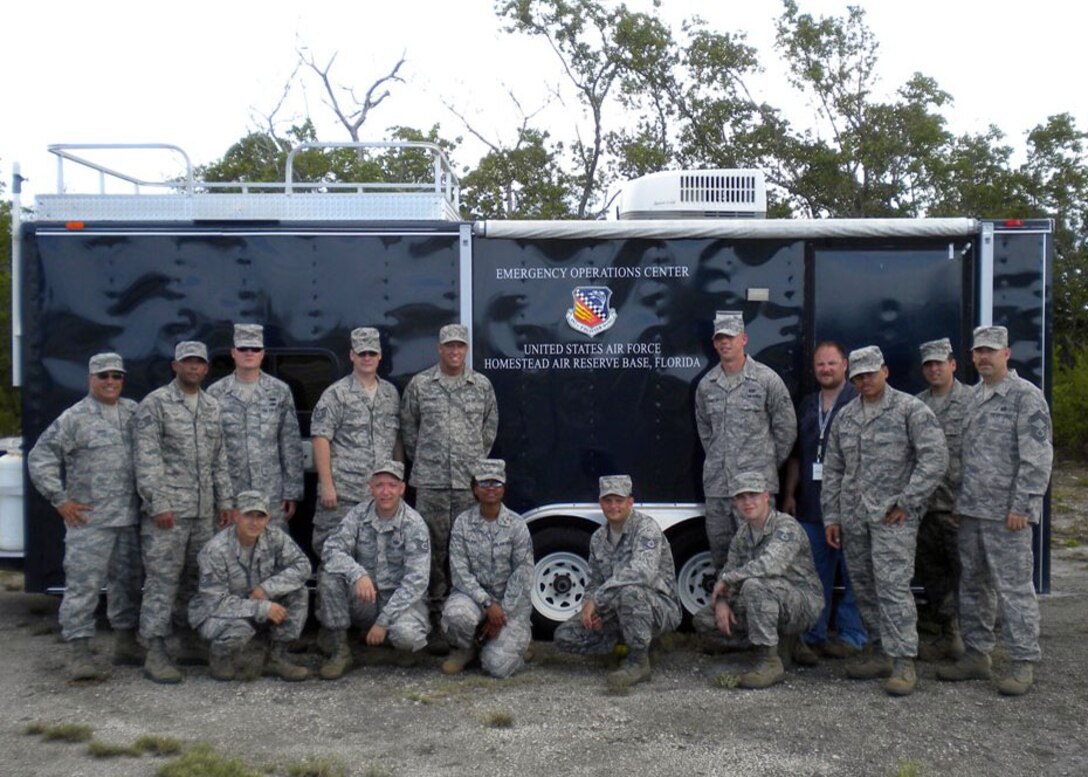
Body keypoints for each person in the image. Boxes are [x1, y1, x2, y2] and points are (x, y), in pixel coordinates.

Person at [821, 345, 947, 696]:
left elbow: (935, 458)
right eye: (858, 377)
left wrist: (908, 500)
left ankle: (904, 660)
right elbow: (833, 470)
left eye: (870, 374)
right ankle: (879, 650)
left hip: (893, 518)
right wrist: (832, 515)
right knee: (863, 587)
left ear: (885, 372)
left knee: (892, 588)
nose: (864, 381)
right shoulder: (846, 417)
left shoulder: (910, 410)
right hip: (854, 517)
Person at [938, 325, 1053, 696]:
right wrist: (959, 502)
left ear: (1007, 353)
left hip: (1008, 515)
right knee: (972, 585)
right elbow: (964, 458)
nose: (984, 357)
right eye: (978, 351)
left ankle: (1022, 661)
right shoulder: (973, 398)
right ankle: (977, 655)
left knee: (1014, 588)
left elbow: (1037, 459)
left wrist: (1024, 505)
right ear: (971, 356)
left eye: (991, 350)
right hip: (971, 511)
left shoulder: (1025, 397)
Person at [27, 352, 143, 680]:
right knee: (83, 586)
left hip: (130, 518)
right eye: (103, 376)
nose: (110, 382)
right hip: (90, 522)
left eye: (116, 376)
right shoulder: (74, 417)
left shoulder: (134, 413)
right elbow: (40, 458)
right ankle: (79, 653)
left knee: (129, 585)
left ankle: (125, 643)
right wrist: (60, 499)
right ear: (91, 379)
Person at [135, 340, 235, 684]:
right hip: (169, 514)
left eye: (199, 363)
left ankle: (190, 640)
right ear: (174, 366)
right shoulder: (156, 404)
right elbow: (147, 460)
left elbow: (219, 458)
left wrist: (226, 503)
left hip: (204, 512)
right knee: (162, 581)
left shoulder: (211, 406)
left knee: (197, 578)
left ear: (206, 369)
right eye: (186, 362)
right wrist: (158, 503)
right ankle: (155, 650)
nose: (193, 368)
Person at [401, 323, 498, 654]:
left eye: (460, 346)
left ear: (466, 349)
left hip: (468, 486)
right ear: (439, 349)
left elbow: (489, 427)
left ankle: (467, 621)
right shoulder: (420, 385)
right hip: (431, 485)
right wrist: (429, 461)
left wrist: (471, 462)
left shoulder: (481, 385)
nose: (454, 351)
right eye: (449, 346)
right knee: (432, 551)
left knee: (467, 553)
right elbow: (409, 429)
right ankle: (433, 619)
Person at [694, 472, 823, 689]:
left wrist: (728, 580)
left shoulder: (786, 527)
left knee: (755, 585)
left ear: (766, 497)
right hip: (764, 601)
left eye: (752, 495)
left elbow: (771, 565)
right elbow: (728, 569)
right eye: (741, 497)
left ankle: (769, 662)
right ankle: (783, 644)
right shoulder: (743, 535)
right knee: (704, 620)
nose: (747, 502)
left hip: (802, 604)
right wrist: (723, 602)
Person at [553, 475, 681, 688]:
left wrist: (598, 599)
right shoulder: (598, 538)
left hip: (658, 607)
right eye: (608, 500)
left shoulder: (646, 528)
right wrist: (589, 608)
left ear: (630, 502)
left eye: (619, 500)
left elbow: (643, 572)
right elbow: (593, 580)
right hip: (615, 607)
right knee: (565, 636)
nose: (613, 506)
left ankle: (639, 662)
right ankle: (635, 644)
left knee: (631, 592)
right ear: (600, 503)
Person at [782, 341, 867, 662]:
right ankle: (813, 634)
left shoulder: (859, 401)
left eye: (832, 363)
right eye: (820, 365)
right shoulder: (806, 404)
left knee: (854, 573)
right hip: (810, 505)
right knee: (814, 574)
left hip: (850, 508)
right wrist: (790, 494)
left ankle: (851, 636)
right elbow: (796, 457)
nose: (826, 369)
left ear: (844, 365)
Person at [695, 311, 796, 570]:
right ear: (714, 343)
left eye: (731, 337)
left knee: (759, 557)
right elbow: (706, 431)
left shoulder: (766, 379)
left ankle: (757, 610)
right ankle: (728, 608)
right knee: (722, 558)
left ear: (744, 339)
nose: (725, 343)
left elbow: (786, 429)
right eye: (720, 339)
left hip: (754, 491)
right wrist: (720, 459)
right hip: (718, 489)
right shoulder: (707, 385)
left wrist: (765, 463)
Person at [317, 461, 431, 680]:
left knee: (407, 637)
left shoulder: (414, 524)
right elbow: (331, 549)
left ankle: (391, 640)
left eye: (391, 485)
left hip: (399, 601)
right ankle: (341, 651)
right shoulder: (358, 515)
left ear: (402, 488)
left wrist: (383, 621)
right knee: (330, 577)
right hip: (366, 598)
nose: (385, 491)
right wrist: (357, 574)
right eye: (379, 485)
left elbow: (416, 581)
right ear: (371, 487)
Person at [188, 491, 311, 682]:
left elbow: (303, 566)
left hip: (256, 601)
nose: (254, 522)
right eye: (248, 515)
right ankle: (220, 657)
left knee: (298, 592)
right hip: (215, 612)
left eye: (260, 516)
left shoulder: (274, 537)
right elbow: (214, 602)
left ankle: (276, 657)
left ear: (268, 518)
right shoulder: (216, 550)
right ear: (236, 515)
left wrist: (268, 588)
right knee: (239, 630)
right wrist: (262, 607)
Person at [311, 327, 401, 557]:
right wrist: (327, 485)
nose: (367, 358)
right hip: (344, 493)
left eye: (372, 353)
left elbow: (396, 440)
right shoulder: (336, 394)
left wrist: (398, 481)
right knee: (335, 555)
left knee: (378, 556)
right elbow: (321, 438)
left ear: (380, 355)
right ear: (352, 355)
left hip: (381, 494)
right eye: (362, 353)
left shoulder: (390, 394)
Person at [440, 459, 534, 679]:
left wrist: (502, 613)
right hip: (474, 599)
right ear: (475, 489)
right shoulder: (463, 523)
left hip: (509, 605)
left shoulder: (517, 525)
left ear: (504, 488)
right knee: (456, 615)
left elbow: (523, 574)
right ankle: (464, 650)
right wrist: (487, 603)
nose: (490, 488)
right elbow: (459, 572)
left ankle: (519, 642)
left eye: (496, 483)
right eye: (484, 483)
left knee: (497, 667)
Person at [207, 324, 303, 529]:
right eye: (243, 348)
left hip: (271, 494)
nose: (249, 353)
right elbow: (211, 448)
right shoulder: (215, 394)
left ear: (262, 354)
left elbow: (290, 444)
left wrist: (291, 491)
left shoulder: (280, 391)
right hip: (231, 494)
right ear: (233, 353)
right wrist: (218, 496)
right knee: (230, 549)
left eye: (255, 348)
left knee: (273, 547)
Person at [915, 337, 969, 661]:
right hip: (926, 510)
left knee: (968, 576)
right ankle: (948, 634)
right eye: (928, 364)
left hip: (959, 509)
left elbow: (984, 457)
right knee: (933, 578)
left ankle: (972, 641)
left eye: (940, 363)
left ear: (953, 364)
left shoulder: (972, 402)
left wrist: (969, 501)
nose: (934, 369)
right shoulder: (916, 405)